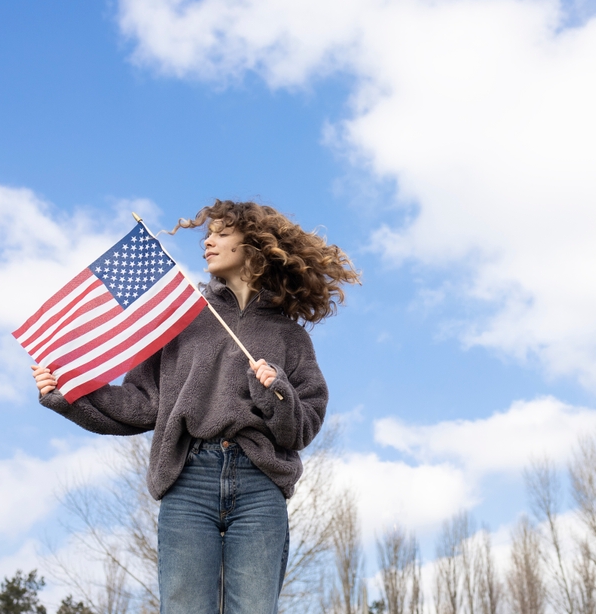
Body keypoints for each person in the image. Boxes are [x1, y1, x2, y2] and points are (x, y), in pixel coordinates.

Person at [32, 200, 361, 614]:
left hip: (261, 485)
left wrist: (275, 390)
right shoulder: (182, 319)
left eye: (221, 233)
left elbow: (303, 427)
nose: (208, 241)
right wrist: (71, 393)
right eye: (208, 234)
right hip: (188, 481)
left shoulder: (290, 338)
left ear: (254, 248)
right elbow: (142, 404)